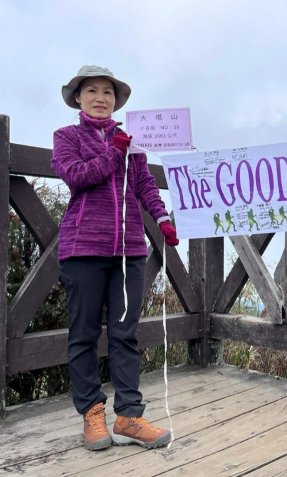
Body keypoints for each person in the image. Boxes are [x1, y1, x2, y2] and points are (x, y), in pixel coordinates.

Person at [52, 65, 180, 451]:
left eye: (107, 92)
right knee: (84, 334)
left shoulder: (129, 140)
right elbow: (76, 176)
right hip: (82, 251)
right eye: (91, 91)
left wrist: (161, 218)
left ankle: (128, 417)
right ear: (78, 97)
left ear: (116, 99)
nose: (100, 98)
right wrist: (114, 151)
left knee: (125, 334)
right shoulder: (66, 137)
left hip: (129, 252)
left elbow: (143, 184)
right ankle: (92, 414)